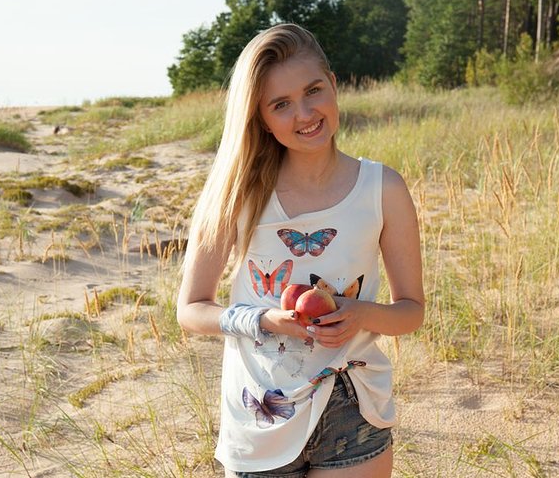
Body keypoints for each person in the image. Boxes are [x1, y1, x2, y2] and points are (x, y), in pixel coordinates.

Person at [176, 23, 424, 478]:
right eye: (281, 104)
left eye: (313, 90)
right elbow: (191, 310)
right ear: (261, 118)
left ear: (333, 84)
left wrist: (360, 314)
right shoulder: (238, 194)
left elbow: (411, 312)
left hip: (355, 405)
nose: (305, 113)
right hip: (260, 413)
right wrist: (263, 320)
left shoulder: (383, 188)